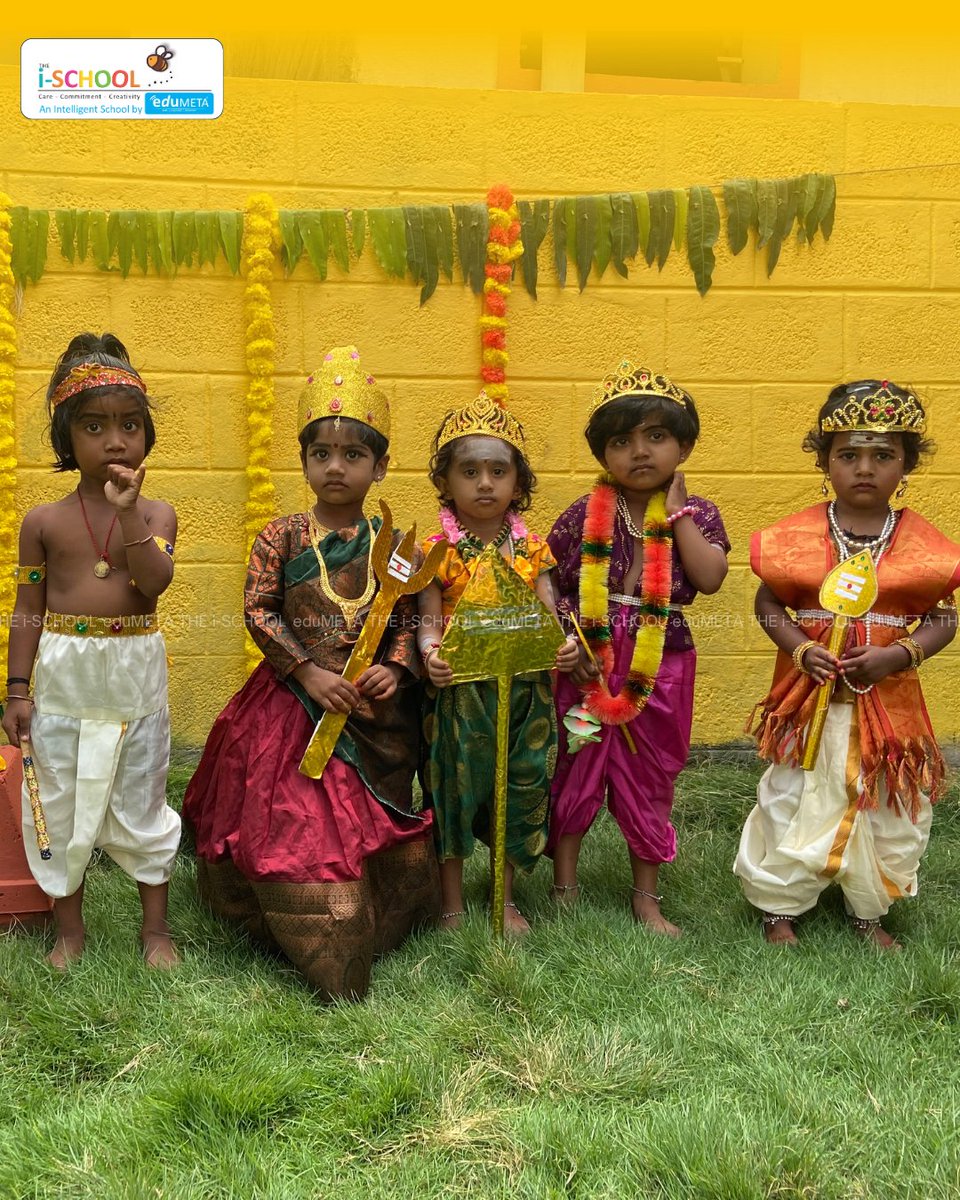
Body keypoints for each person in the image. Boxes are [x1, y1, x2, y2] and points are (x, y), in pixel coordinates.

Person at [182, 346, 439, 999]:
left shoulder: (393, 547)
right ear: (303, 462)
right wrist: (307, 673)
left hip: (375, 721)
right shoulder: (281, 538)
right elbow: (259, 612)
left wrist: (398, 668)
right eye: (321, 454)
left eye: (353, 455)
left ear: (380, 467)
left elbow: (409, 619)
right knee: (295, 827)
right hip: (290, 710)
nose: (335, 466)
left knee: (398, 856)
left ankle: (374, 915)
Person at [734, 380, 960, 949]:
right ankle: (778, 905)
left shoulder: (926, 546)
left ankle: (869, 910)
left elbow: (944, 618)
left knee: (884, 806)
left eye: (883, 455)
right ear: (824, 460)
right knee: (791, 796)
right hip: (809, 703)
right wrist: (801, 649)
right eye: (848, 455)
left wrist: (897, 655)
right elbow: (767, 602)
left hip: (886, 706)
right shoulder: (793, 537)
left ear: (907, 463)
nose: (865, 468)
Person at [2, 332, 180, 969]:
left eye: (130, 425)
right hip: (64, 675)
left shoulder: (157, 515)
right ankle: (69, 930)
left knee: (142, 793)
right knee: (58, 796)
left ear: (146, 436)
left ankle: (155, 930)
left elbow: (153, 583)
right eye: (94, 426)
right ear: (64, 438)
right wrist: (17, 690)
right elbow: (28, 606)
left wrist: (127, 514)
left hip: (135, 672)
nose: (114, 441)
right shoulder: (42, 524)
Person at [547, 361, 729, 936]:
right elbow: (544, 580)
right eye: (621, 441)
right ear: (603, 454)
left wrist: (677, 518)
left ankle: (646, 898)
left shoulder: (698, 513)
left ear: (684, 446)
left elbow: (711, 578)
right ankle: (563, 888)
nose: (640, 452)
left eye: (656, 436)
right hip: (588, 656)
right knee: (575, 765)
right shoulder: (583, 513)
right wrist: (564, 640)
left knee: (652, 774)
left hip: (663, 657)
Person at [417, 392, 580, 935]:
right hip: (461, 691)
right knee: (456, 789)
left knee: (523, 785)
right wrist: (430, 655)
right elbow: (428, 621)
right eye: (469, 471)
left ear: (518, 482)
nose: (484, 483)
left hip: (526, 687)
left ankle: (504, 898)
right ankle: (452, 903)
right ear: (446, 482)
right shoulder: (436, 550)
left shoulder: (533, 549)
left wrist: (565, 648)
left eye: (497, 471)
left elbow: (550, 614)